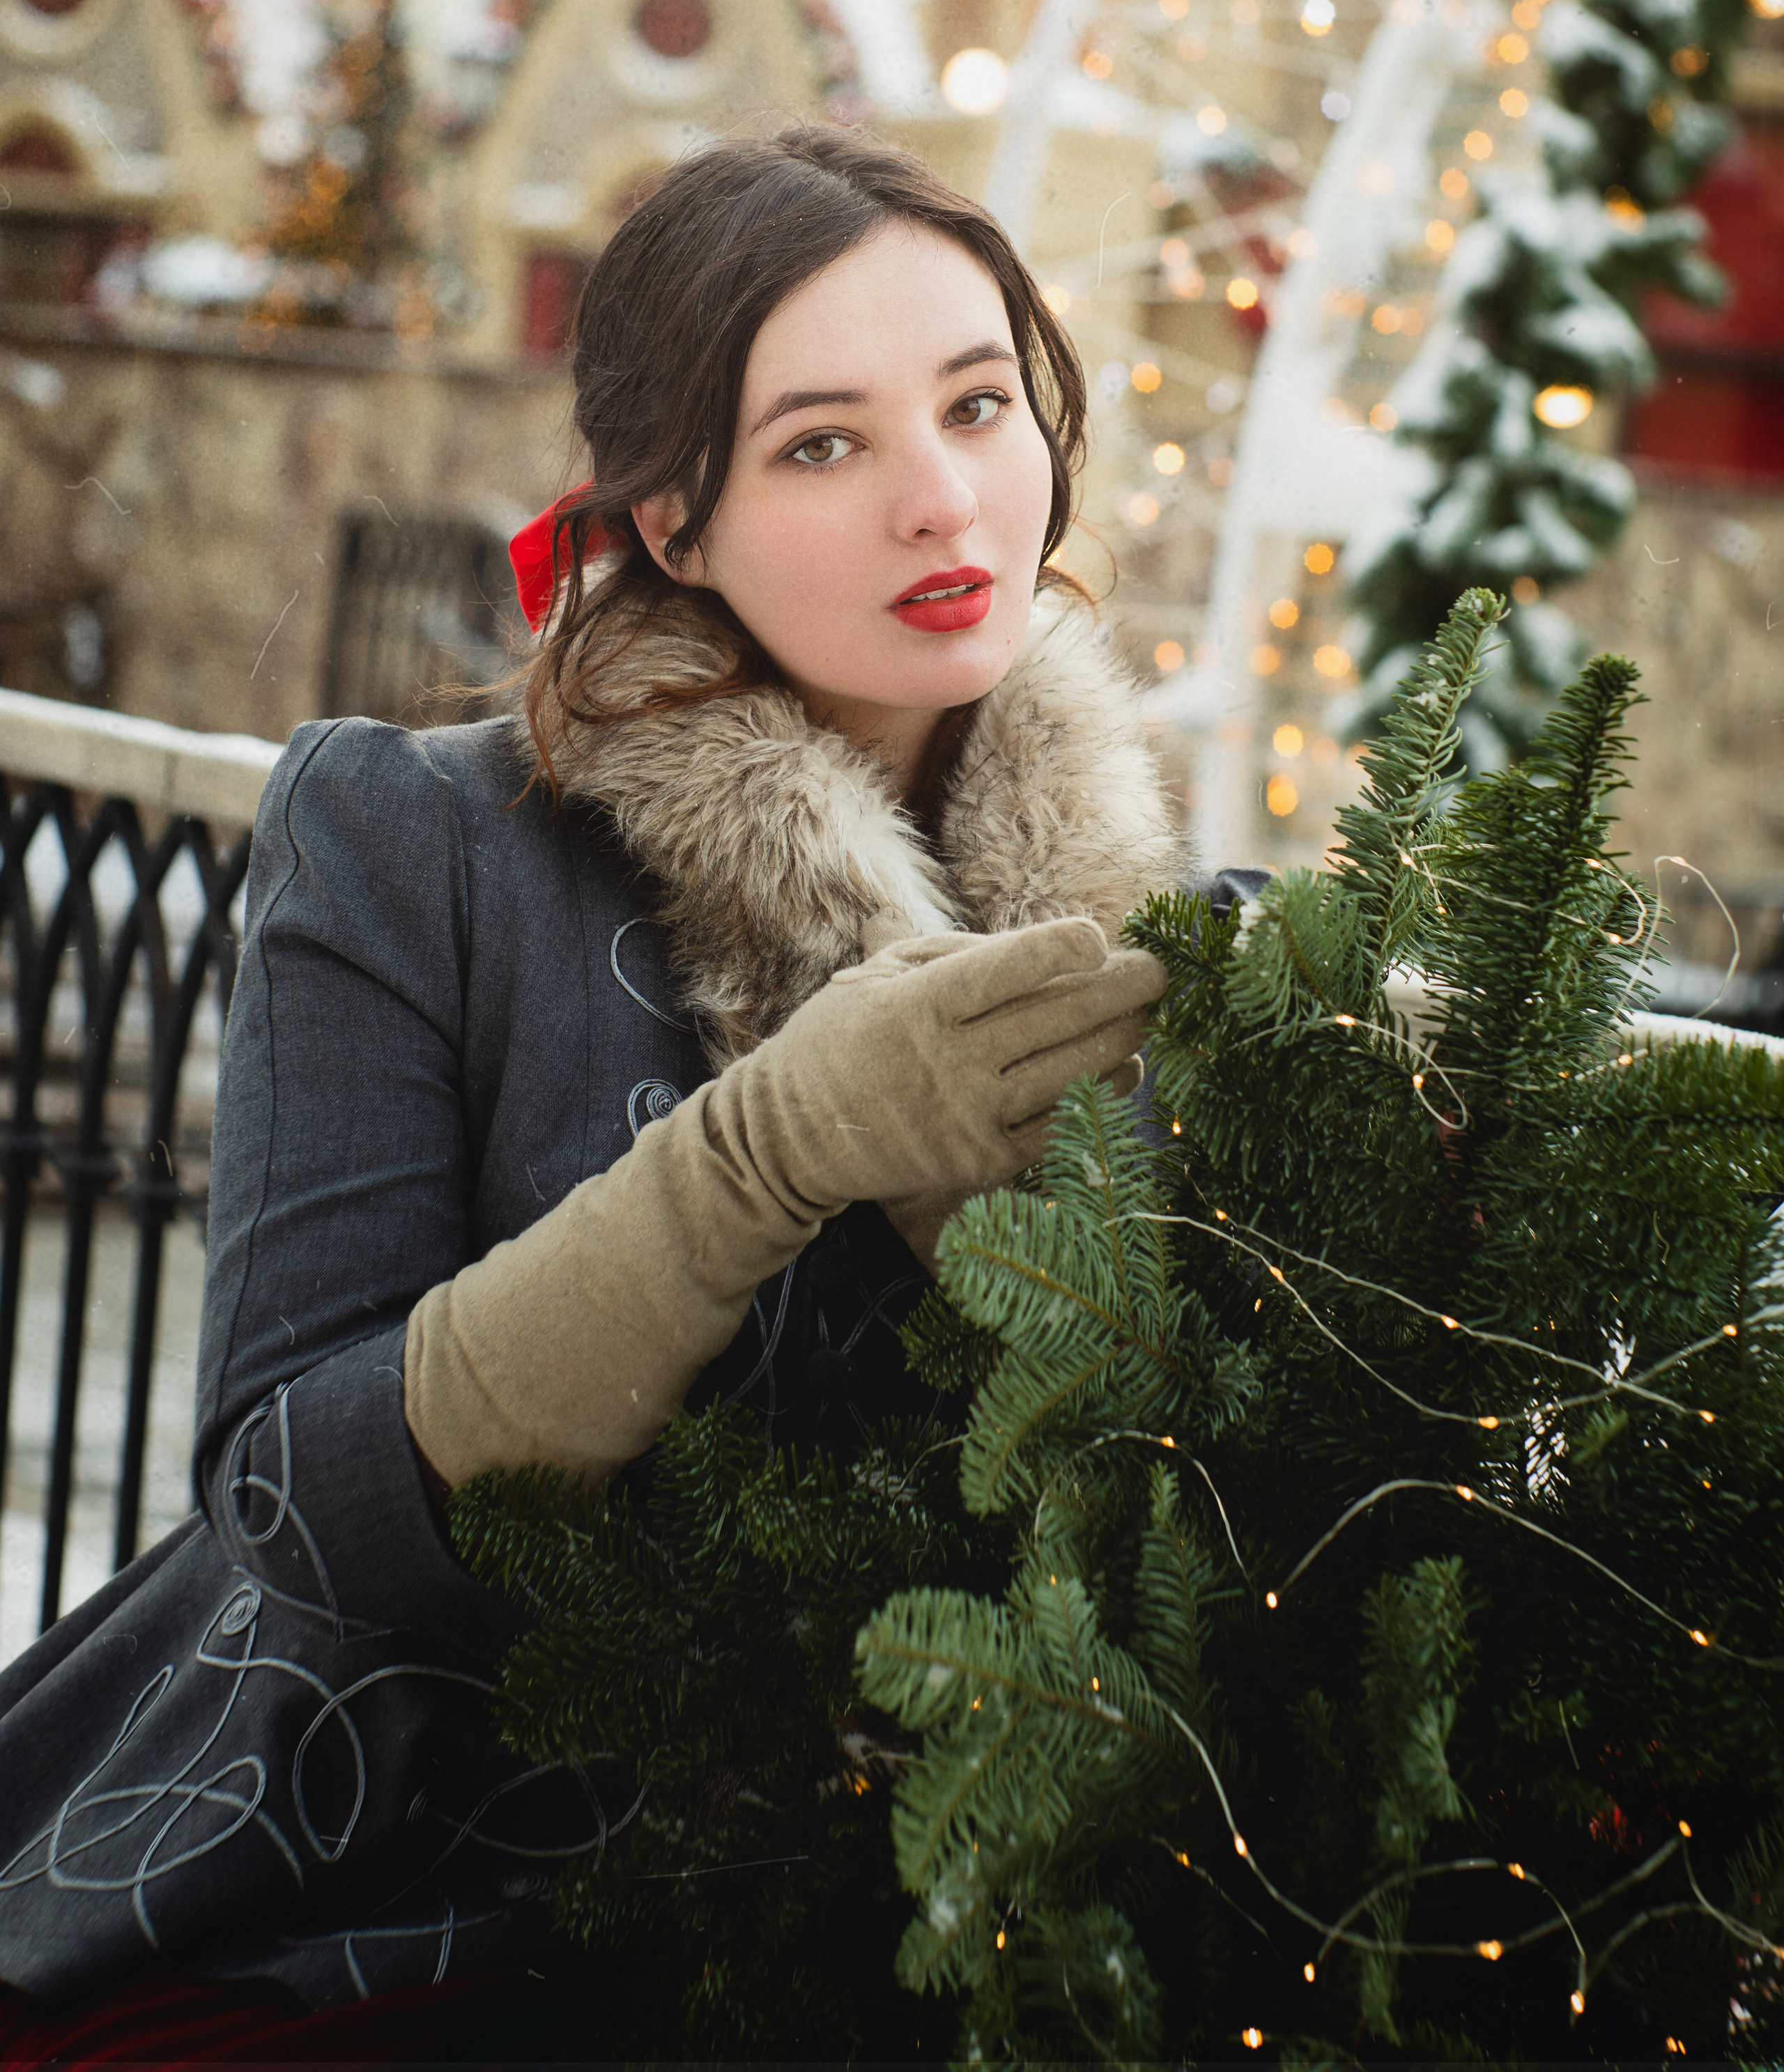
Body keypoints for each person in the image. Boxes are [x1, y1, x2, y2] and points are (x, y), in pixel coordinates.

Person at [0, 127, 1188, 2048]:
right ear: (670, 519)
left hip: (943, 1944)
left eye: (979, 406)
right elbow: (298, 1500)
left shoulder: (1156, 944)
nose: (942, 498)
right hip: (387, 1896)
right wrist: (757, 1160)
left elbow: (1215, 1545)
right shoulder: (417, 847)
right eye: (822, 443)